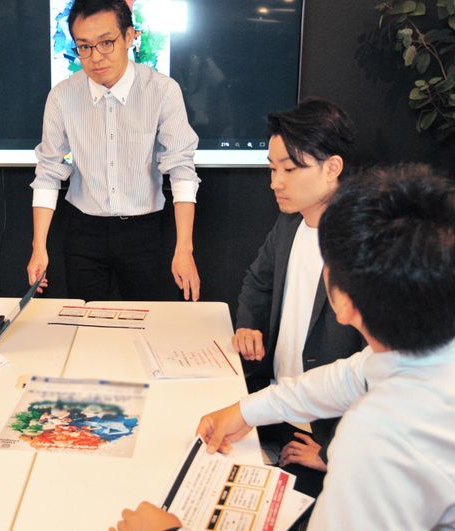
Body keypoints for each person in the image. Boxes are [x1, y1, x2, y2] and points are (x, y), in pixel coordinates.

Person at [114, 164, 455, 529]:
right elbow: (348, 377)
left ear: (341, 300)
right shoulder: (414, 355)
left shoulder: (376, 439)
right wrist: (246, 411)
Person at [27, 0, 201, 302]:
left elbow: (181, 169)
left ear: (130, 36)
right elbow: (48, 172)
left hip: (143, 230)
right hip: (84, 230)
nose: (96, 57)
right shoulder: (62, 97)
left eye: (106, 43)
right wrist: (38, 246)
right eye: (84, 47)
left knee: (147, 320)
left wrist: (184, 248)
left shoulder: (162, 90)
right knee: (86, 321)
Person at [233, 98, 364, 496]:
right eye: (272, 169)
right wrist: (248, 325)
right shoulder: (290, 222)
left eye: (289, 169)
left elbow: (381, 365)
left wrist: (333, 452)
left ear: (332, 167)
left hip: (325, 433)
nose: (276, 182)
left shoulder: (364, 241)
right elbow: (258, 281)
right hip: (278, 408)